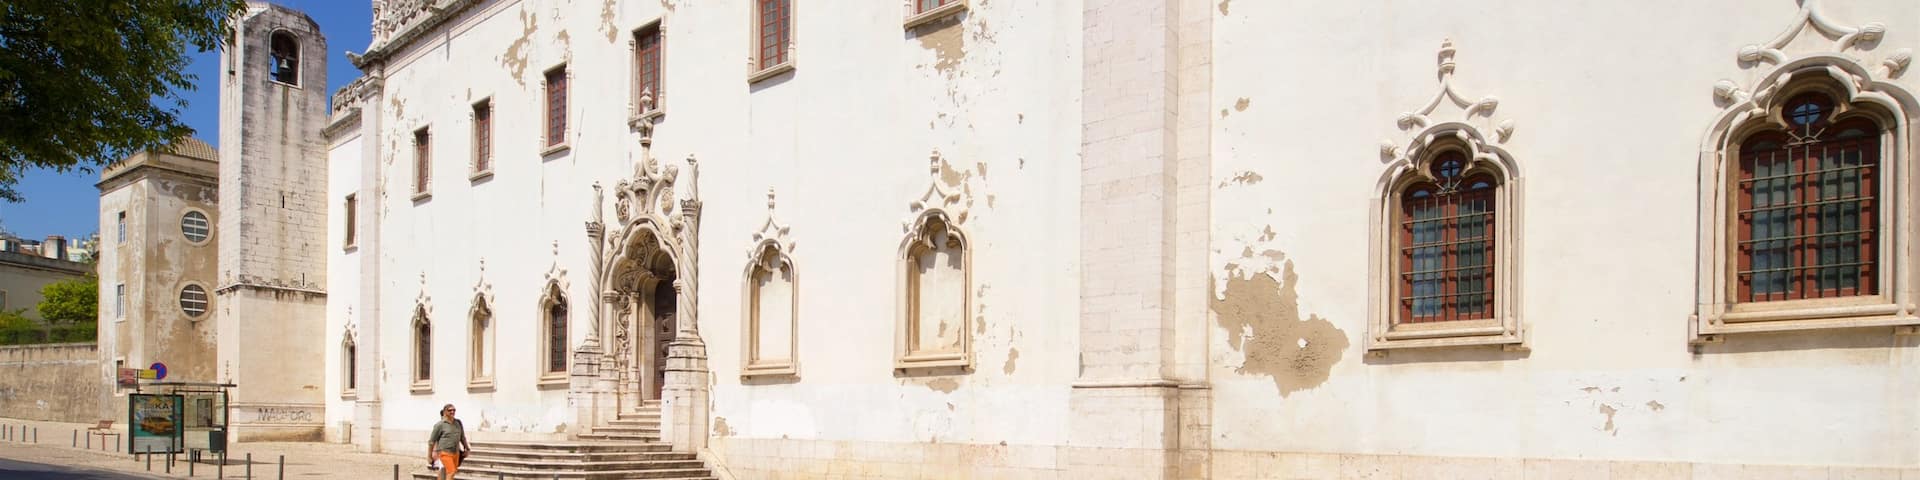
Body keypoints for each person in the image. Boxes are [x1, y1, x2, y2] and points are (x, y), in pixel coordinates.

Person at [427, 404, 471, 479]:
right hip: (444, 452)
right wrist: (429, 456)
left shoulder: (458, 423)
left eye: (454, 410)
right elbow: (431, 441)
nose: (452, 412)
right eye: (450, 410)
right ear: (444, 412)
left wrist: (467, 448)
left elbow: (462, 437)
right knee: (451, 471)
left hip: (455, 452)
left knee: (446, 471)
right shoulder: (439, 425)